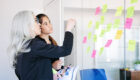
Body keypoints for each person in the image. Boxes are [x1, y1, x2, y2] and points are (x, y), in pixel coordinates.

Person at [7, 10, 76, 80]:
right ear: (27, 25)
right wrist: (68, 29)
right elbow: (66, 50)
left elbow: (38, 71)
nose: (39, 24)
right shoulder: (33, 45)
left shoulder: (23, 47)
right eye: (35, 21)